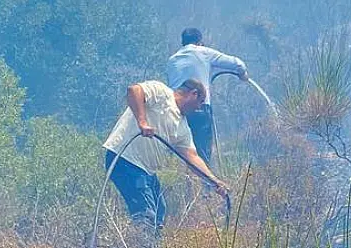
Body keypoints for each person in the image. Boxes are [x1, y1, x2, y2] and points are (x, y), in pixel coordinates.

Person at [102, 78, 228, 231]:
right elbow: (134, 90)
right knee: (146, 214)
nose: (199, 108)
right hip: (124, 160)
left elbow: (192, 157)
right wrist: (142, 122)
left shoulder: (182, 127)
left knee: (159, 211)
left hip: (145, 170)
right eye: (200, 102)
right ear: (193, 94)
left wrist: (214, 181)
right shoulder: (162, 93)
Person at [166, 27, 248, 164]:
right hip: (198, 108)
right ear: (199, 41)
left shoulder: (172, 60)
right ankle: (205, 182)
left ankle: (185, 180)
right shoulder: (203, 52)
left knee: (180, 153)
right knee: (202, 153)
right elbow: (238, 64)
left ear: (183, 43)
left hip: (176, 110)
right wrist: (242, 74)